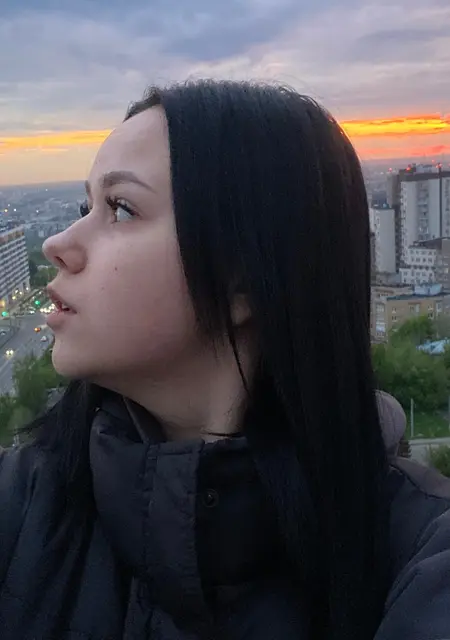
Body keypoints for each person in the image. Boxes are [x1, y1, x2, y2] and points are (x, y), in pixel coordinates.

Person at [0, 80, 449, 640]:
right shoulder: (21, 508)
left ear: (245, 283)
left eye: (120, 209)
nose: (58, 245)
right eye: (84, 206)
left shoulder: (421, 558)